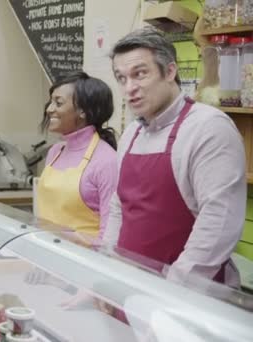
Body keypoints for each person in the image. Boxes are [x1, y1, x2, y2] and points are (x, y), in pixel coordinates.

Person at [105, 27, 246, 287]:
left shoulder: (208, 127)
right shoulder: (132, 133)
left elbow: (218, 221)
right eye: (121, 78)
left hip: (186, 298)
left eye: (140, 74)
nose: (129, 88)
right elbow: (118, 207)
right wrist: (106, 273)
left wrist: (171, 292)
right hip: (128, 286)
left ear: (170, 71)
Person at [36, 71, 118, 244]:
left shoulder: (107, 161)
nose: (49, 109)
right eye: (50, 101)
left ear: (83, 111)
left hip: (83, 262)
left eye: (58, 103)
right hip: (47, 253)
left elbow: (109, 235)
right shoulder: (55, 151)